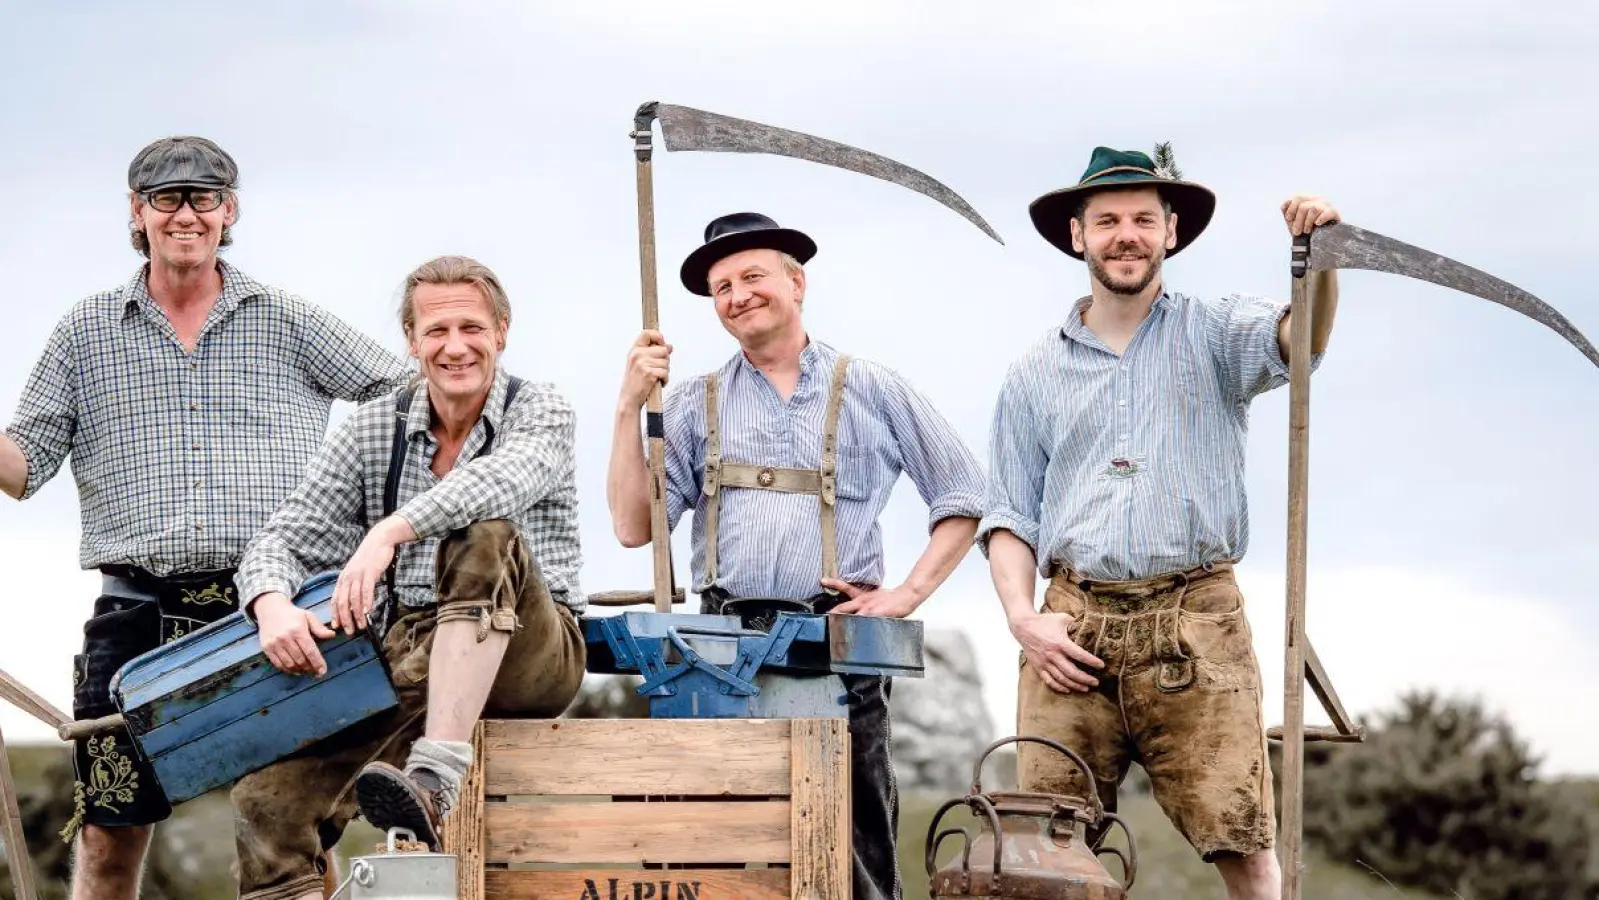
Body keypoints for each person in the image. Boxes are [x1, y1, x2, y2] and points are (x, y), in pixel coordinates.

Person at [0, 135, 409, 900]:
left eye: (203, 198)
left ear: (229, 211)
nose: (185, 213)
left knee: (288, 822)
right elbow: (24, 465)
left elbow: (405, 395)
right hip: (138, 610)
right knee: (110, 825)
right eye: (166, 199)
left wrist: (374, 515)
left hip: (282, 605)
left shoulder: (287, 319)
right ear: (137, 212)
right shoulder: (84, 332)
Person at [980, 145, 1341, 900]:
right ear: (1077, 236)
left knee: (1240, 838)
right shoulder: (1031, 373)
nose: (1125, 234)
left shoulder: (1214, 333)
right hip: (1070, 629)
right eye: (1106, 220)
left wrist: (1319, 260)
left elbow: (1298, 343)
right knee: (1040, 847)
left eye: (1143, 219)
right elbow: (1010, 515)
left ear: (1170, 233)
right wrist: (1022, 618)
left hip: (1194, 621)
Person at [607, 212, 986, 900]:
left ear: (795, 282)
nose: (737, 295)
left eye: (752, 276)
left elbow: (963, 493)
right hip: (720, 649)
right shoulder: (693, 401)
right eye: (721, 286)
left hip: (834, 643)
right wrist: (628, 407)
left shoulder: (869, 385)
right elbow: (636, 527)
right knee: (725, 846)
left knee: (854, 841)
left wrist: (905, 594)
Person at [229, 254, 586, 900]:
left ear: (501, 332)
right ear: (412, 341)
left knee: (486, 532)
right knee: (265, 804)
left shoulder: (541, 410)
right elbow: (283, 535)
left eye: (472, 329)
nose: (455, 348)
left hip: (531, 646)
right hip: (414, 655)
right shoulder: (373, 426)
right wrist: (269, 601)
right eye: (437, 331)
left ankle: (435, 776)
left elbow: (500, 483)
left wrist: (387, 532)